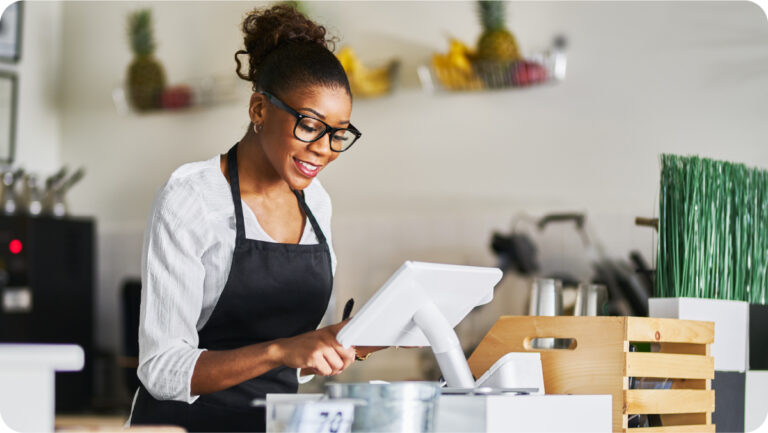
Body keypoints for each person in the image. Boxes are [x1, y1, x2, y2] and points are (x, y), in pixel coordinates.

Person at [128, 5, 370, 431]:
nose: (325, 148)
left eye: (338, 133)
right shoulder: (192, 198)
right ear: (259, 109)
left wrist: (338, 343)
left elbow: (296, 357)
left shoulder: (316, 201)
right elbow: (161, 369)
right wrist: (281, 351)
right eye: (310, 126)